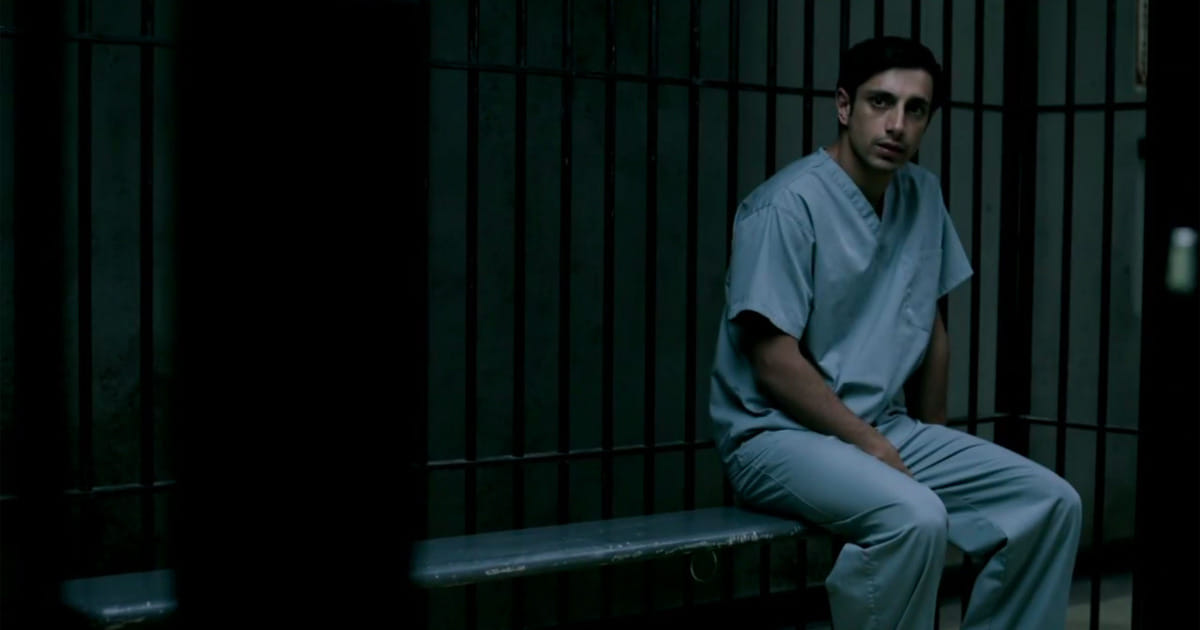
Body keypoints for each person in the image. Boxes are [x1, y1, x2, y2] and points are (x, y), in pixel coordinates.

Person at [709, 36, 1082, 629]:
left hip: (884, 427)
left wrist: (932, 439)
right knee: (916, 517)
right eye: (880, 102)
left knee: (1051, 503)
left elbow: (931, 327)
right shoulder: (784, 206)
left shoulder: (921, 195)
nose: (897, 124)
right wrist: (872, 446)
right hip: (776, 437)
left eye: (916, 109)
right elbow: (772, 360)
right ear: (844, 106)